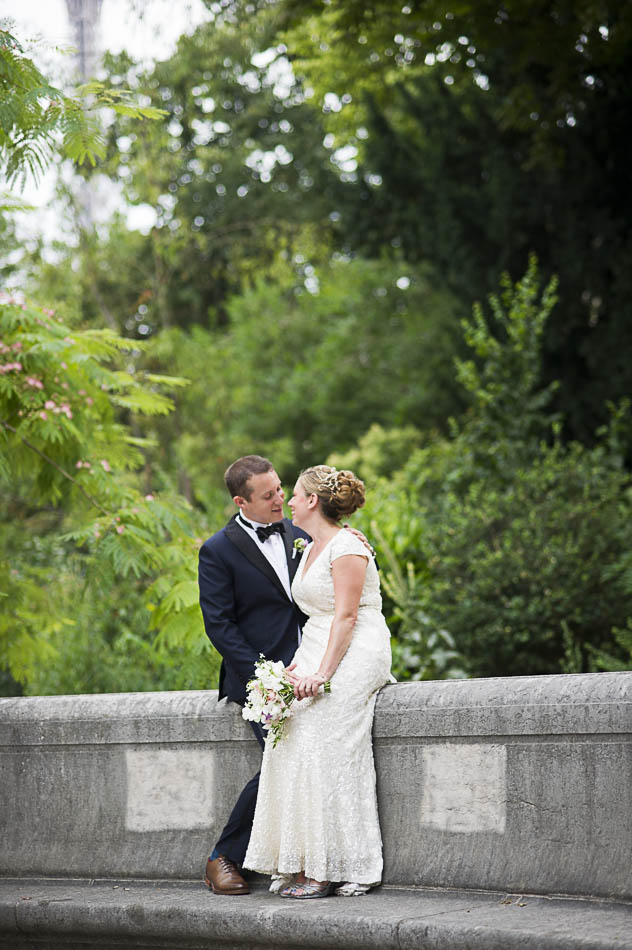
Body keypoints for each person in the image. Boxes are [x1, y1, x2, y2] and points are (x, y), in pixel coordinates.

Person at [243, 465, 393, 898]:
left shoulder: (348, 547)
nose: (288, 501)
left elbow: (346, 616)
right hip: (316, 645)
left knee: (323, 738)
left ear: (312, 501)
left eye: (294, 494)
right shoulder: (308, 546)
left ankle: (334, 867)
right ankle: (304, 860)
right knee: (288, 738)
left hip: (356, 647)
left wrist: (322, 675)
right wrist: (296, 668)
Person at [198, 455, 310, 896]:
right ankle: (222, 857)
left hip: (312, 673)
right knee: (282, 760)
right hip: (259, 681)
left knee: (306, 760)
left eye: (280, 489)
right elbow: (219, 626)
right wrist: (266, 677)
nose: (280, 499)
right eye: (268, 496)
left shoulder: (300, 535)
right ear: (241, 502)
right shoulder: (217, 550)